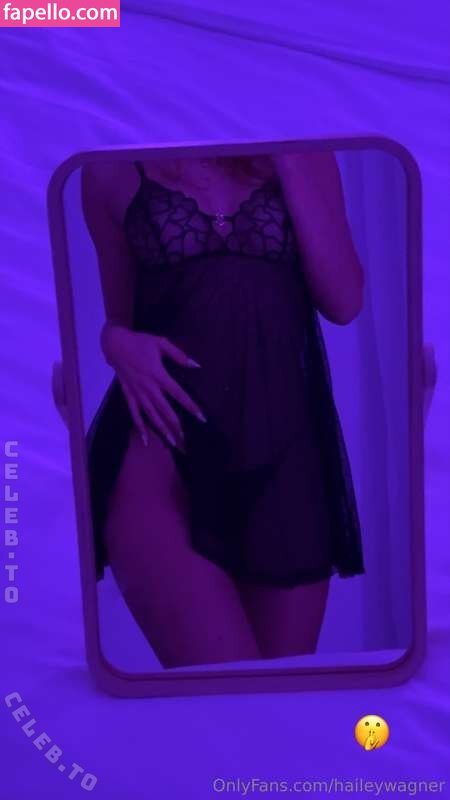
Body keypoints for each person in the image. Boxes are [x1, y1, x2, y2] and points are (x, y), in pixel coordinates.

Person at [81, 150, 365, 669]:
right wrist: (112, 341)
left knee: (276, 702)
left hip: (283, 454)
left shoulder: (308, 154)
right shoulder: (107, 170)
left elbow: (344, 301)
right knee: (217, 689)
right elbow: (122, 320)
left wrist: (286, 156)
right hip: (160, 442)